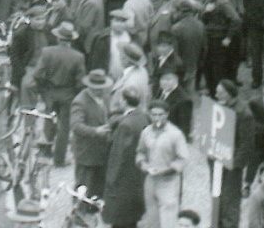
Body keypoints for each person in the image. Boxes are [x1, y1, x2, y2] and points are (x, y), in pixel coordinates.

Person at [32, 21, 86, 167]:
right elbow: (80, 82)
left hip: (50, 92)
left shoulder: (47, 52)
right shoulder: (78, 57)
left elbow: (37, 74)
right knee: (64, 127)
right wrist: (75, 94)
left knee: (48, 121)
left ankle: (45, 151)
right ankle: (59, 159)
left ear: (58, 38)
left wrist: (43, 90)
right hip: (68, 94)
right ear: (71, 40)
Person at [135, 99, 189, 228]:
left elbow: (183, 159)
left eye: (161, 114)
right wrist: (142, 164)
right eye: (154, 115)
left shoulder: (175, 134)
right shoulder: (146, 132)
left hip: (169, 182)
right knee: (152, 218)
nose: (157, 118)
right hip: (150, 180)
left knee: (168, 219)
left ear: (167, 114)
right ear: (149, 114)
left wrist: (166, 170)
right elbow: (140, 152)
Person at [102, 86, 149, 228]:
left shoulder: (125, 125)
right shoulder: (143, 117)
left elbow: (118, 156)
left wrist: (111, 179)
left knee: (120, 219)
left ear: (123, 101)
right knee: (132, 217)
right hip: (138, 174)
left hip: (123, 178)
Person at [212, 79, 254, 228]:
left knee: (230, 201)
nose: (217, 95)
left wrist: (235, 165)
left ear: (230, 94)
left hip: (232, 164)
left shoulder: (243, 113)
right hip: (217, 159)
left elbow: (246, 144)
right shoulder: (220, 106)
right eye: (217, 92)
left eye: (220, 93)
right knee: (217, 196)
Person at [70, 69, 112, 200]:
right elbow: (76, 126)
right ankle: (79, 209)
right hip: (86, 152)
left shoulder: (105, 97)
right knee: (83, 186)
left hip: (101, 151)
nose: (101, 90)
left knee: (98, 187)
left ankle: (94, 207)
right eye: (97, 88)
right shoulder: (80, 101)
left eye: (102, 88)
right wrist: (95, 131)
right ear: (90, 86)